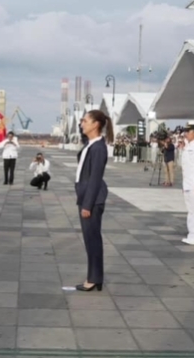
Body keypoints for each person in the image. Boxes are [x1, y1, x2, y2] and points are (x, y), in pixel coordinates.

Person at [74, 110, 114, 292]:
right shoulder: (90, 144)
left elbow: (95, 178)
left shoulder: (99, 148)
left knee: (93, 240)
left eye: (85, 121)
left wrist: (87, 205)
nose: (82, 123)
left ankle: (95, 278)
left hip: (92, 200)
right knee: (90, 239)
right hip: (85, 197)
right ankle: (93, 277)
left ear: (96, 124)